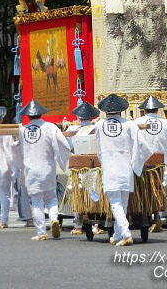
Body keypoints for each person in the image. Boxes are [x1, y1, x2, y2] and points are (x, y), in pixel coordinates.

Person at [95, 93, 152, 247]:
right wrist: (137, 162)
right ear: (121, 110)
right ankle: (117, 234)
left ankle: (126, 234)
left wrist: (103, 162)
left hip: (110, 166)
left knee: (115, 203)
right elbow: (145, 147)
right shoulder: (129, 125)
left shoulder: (99, 125)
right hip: (125, 166)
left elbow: (99, 150)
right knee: (123, 203)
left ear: (104, 111)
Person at [14, 99, 71, 242]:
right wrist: (62, 157)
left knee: (37, 201)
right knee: (51, 198)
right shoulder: (50, 127)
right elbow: (64, 143)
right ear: (41, 114)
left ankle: (41, 232)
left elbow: (17, 148)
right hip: (48, 167)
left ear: (28, 115)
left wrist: (19, 162)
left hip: (31, 169)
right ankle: (53, 219)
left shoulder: (23, 130)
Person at [134, 95, 167, 233]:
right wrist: (165, 160)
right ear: (158, 110)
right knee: (158, 188)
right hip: (160, 162)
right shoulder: (166, 123)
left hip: (143, 162)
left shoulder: (138, 121)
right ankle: (158, 216)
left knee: (142, 189)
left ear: (144, 110)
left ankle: (142, 214)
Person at [67, 101, 100, 236]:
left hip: (78, 165)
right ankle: (96, 224)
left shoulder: (70, 130)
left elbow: (70, 148)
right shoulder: (97, 127)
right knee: (94, 192)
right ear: (91, 117)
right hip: (93, 164)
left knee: (78, 193)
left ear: (78, 117)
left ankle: (78, 224)